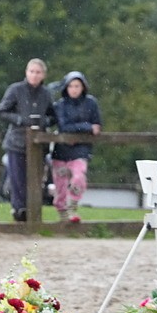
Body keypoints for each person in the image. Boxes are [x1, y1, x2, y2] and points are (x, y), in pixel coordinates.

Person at [0, 58, 55, 222]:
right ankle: (19, 209)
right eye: (32, 72)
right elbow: (2, 111)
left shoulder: (46, 93)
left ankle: (33, 210)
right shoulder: (15, 90)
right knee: (17, 178)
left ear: (43, 75)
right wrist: (20, 119)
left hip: (38, 143)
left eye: (38, 72)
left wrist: (44, 122)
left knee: (36, 179)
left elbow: (53, 115)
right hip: (17, 141)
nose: (34, 75)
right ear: (26, 72)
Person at [51, 71, 102, 223]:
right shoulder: (60, 105)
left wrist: (86, 128)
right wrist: (87, 127)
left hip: (81, 149)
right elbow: (64, 127)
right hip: (61, 150)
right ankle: (63, 214)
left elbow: (98, 124)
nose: (74, 89)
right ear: (66, 88)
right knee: (60, 186)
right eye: (71, 86)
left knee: (79, 177)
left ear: (83, 87)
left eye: (77, 86)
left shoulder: (91, 103)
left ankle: (72, 204)